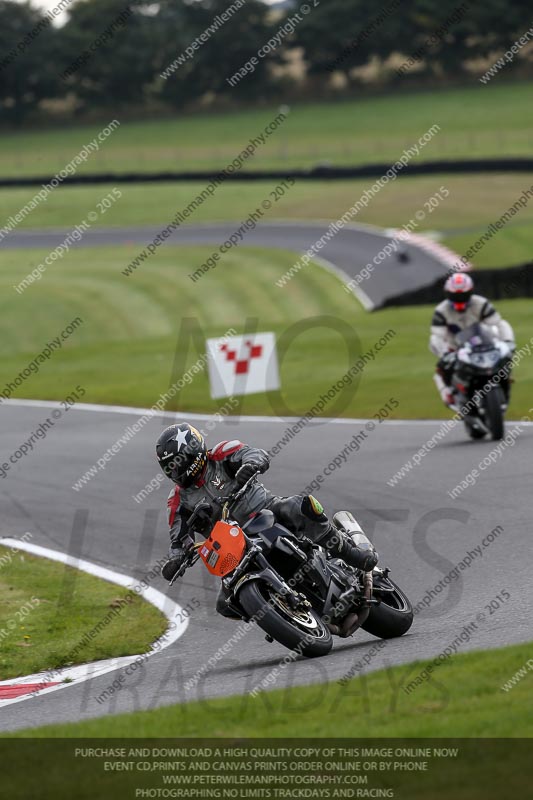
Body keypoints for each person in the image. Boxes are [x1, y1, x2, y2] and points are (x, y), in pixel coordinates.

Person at [156, 423, 378, 618]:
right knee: (226, 605)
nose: (176, 470)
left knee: (302, 507)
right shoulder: (177, 501)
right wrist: (176, 559)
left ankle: (353, 554)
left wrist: (249, 466)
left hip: (265, 509)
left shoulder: (222, 453)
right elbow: (178, 538)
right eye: (170, 467)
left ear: (194, 450)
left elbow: (254, 454)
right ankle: (280, 610)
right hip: (233, 548)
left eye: (178, 462)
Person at [429, 273, 515, 408]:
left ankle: (505, 381)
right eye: (455, 296)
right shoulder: (441, 310)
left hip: (483, 343)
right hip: (455, 348)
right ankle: (449, 394)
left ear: (470, 292)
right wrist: (445, 354)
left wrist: (507, 342)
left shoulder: (481, 303)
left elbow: (497, 324)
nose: (459, 299)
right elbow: (437, 336)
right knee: (441, 369)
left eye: (462, 295)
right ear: (447, 294)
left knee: (505, 355)